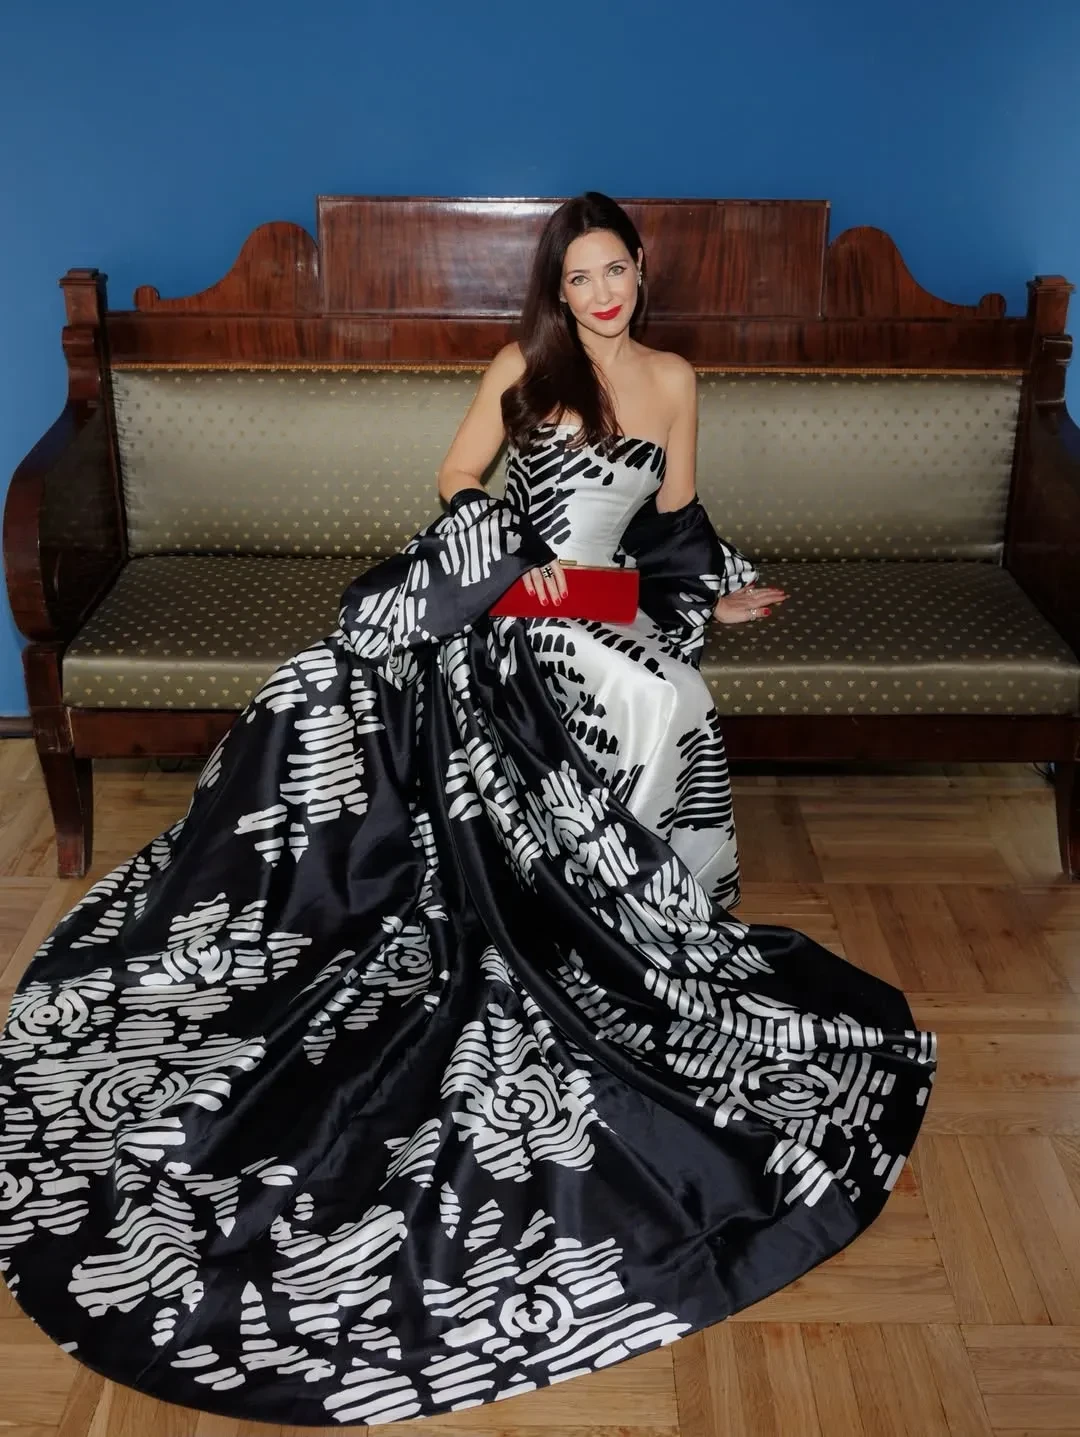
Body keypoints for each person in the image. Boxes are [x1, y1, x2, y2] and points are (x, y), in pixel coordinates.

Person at [0, 193, 935, 1429]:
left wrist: (718, 591)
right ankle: (502, 899)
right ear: (557, 289)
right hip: (507, 606)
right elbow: (453, 474)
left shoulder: (674, 380)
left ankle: (622, 928)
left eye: (615, 271)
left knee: (670, 696)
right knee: (385, 693)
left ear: (642, 268)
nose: (601, 294)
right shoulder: (523, 367)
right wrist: (502, 547)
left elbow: (673, 527)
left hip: (606, 608)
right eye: (579, 278)